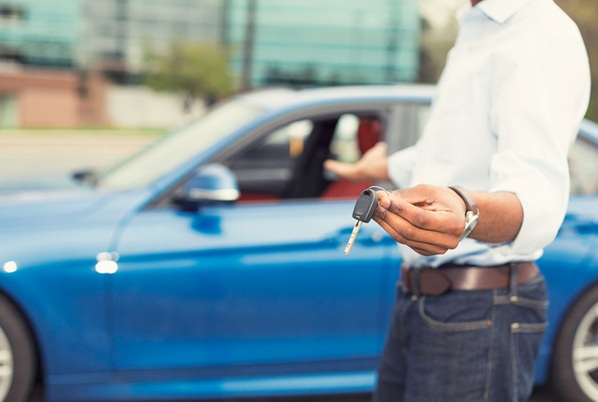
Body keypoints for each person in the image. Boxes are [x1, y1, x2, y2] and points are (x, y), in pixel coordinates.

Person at [324, 0, 591, 400]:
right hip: (419, 300)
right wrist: (388, 164)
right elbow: (454, 153)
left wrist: (466, 211)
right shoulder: (474, 27)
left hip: (481, 308)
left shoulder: (540, 33)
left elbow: (538, 197)